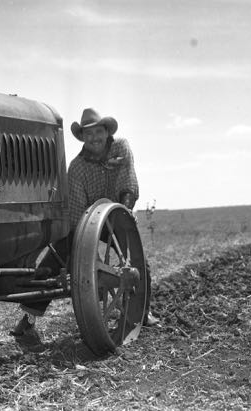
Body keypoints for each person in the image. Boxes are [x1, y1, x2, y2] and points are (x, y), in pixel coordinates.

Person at [11, 108, 159, 349]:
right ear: (83, 137)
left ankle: (142, 313)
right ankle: (27, 322)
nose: (94, 138)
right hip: (89, 222)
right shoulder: (77, 167)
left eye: (98, 132)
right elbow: (78, 211)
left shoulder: (121, 147)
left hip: (118, 213)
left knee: (136, 259)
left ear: (106, 132)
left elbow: (128, 181)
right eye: (88, 134)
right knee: (58, 254)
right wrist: (89, 254)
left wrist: (127, 210)